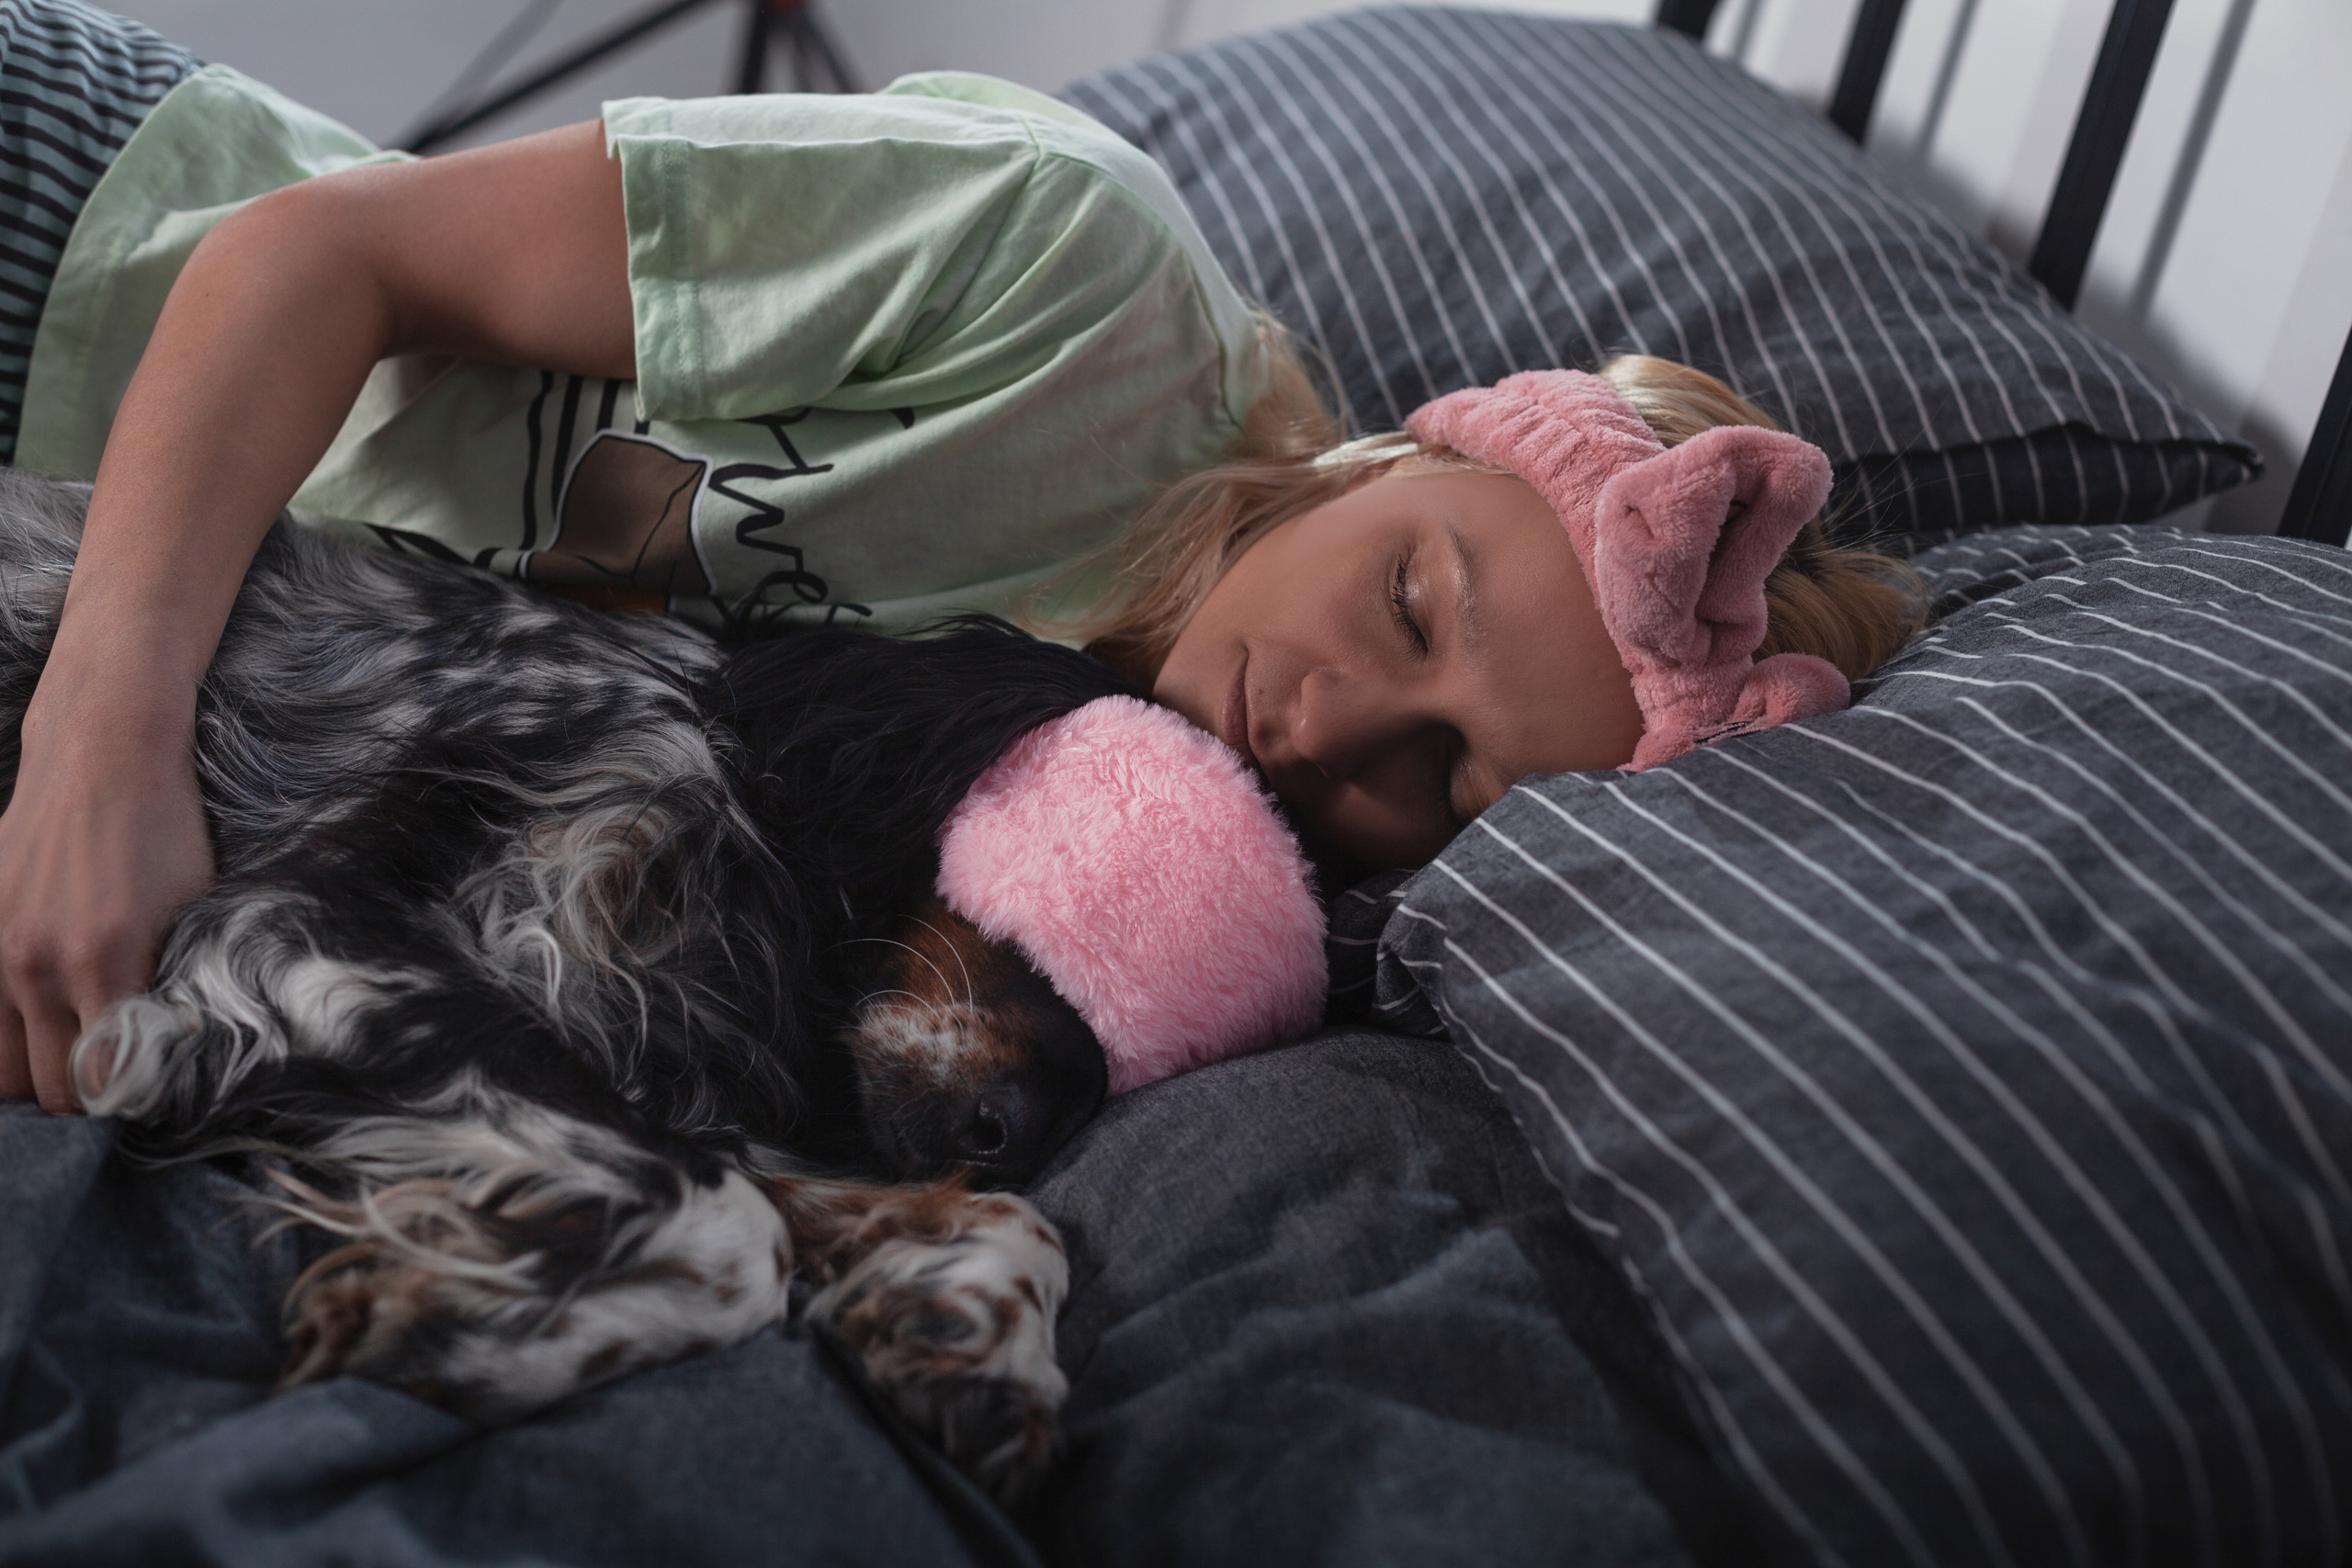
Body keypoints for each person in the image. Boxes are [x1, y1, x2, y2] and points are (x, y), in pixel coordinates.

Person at [0, 0, 1919, 1111]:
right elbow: (314, 249)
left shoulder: (1108, 870)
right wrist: (102, 744)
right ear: (1376, 465)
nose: (1339, 728)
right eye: (1409, 598)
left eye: (1449, 779)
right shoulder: (1068, 272)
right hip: (79, 263)